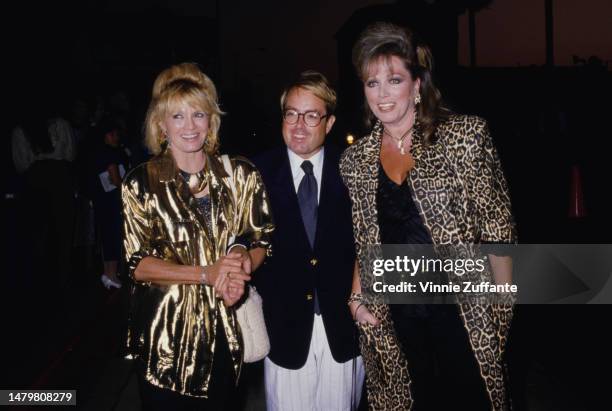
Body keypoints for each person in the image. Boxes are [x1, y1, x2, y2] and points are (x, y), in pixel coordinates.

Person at [340, 22, 516, 411]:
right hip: (394, 320)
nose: (383, 94)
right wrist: (356, 301)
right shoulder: (355, 160)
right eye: (372, 83)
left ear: (417, 85)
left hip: (462, 316)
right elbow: (364, 239)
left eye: (394, 79)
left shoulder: (464, 138)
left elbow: (498, 230)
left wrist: (499, 315)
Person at [121, 62, 274, 410]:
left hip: (226, 331)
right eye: (177, 117)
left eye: (199, 115)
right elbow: (137, 264)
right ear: (161, 125)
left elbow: (260, 240)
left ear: (212, 120)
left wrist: (238, 267)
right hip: (167, 340)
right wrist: (207, 274)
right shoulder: (141, 182)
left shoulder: (240, 173)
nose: (190, 127)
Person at [252, 71, 364, 411]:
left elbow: (371, 240)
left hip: (342, 329)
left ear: (329, 123)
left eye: (311, 115)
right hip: (284, 330)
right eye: (291, 113)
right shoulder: (255, 172)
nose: (299, 125)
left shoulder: (353, 169)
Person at [11, 108, 76, 288]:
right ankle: (61, 276)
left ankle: (39, 277)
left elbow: (20, 163)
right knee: (61, 230)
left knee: (39, 231)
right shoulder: (60, 124)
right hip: (57, 178)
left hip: (36, 180)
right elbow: (70, 154)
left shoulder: (21, 129)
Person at [91, 116, 130, 289]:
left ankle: (108, 273)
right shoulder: (109, 153)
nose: (117, 138)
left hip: (102, 200)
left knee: (107, 237)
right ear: (106, 136)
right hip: (113, 200)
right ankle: (112, 274)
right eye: (114, 135)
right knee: (113, 236)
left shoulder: (97, 152)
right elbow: (115, 179)